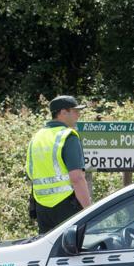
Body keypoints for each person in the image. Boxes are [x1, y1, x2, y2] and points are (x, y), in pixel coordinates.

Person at [27, 95, 92, 233]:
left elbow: (31, 173)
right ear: (63, 112)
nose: (78, 115)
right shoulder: (68, 135)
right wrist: (89, 211)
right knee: (75, 252)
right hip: (67, 205)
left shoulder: (37, 137)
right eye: (75, 111)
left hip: (42, 208)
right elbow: (77, 178)